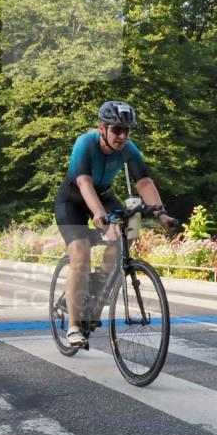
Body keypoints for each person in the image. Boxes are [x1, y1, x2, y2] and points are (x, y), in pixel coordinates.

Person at [54, 101, 174, 348]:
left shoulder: (128, 149)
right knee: (80, 254)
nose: (122, 136)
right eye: (117, 130)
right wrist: (98, 213)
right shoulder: (85, 143)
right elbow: (84, 182)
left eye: (127, 131)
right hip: (73, 199)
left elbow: (144, 183)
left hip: (105, 194)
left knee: (128, 233)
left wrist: (162, 215)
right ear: (102, 128)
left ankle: (97, 283)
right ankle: (75, 325)